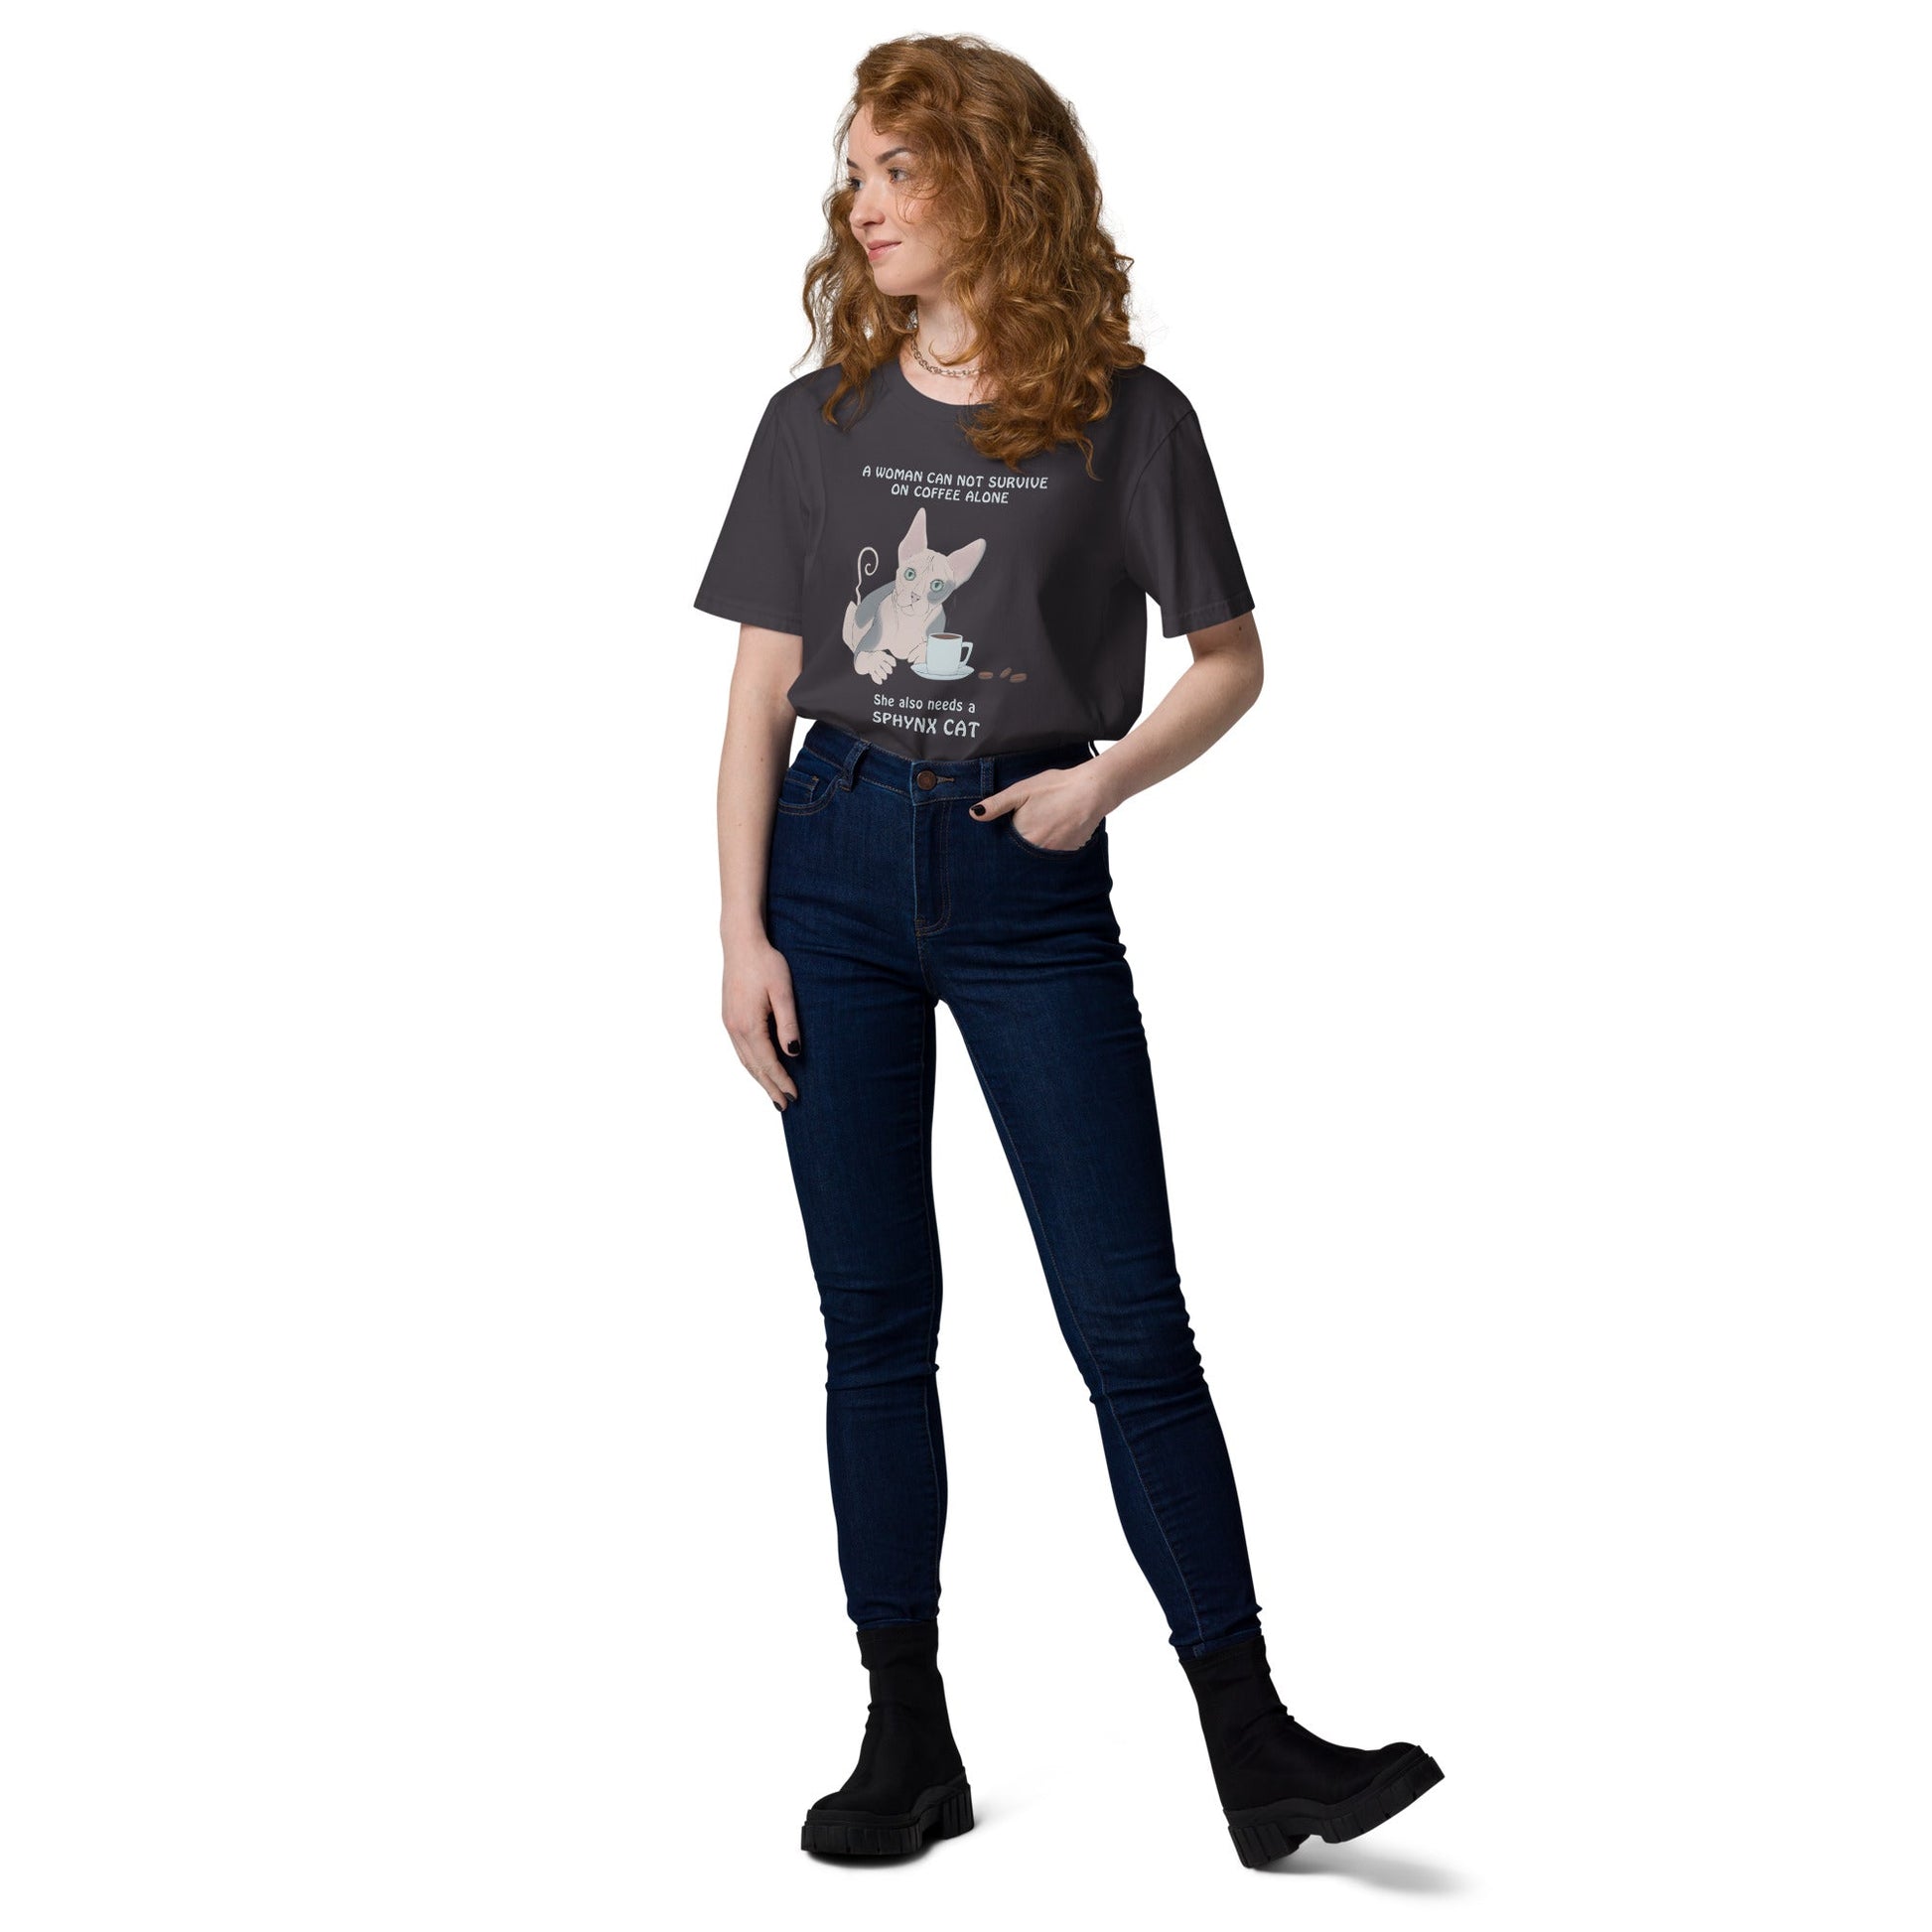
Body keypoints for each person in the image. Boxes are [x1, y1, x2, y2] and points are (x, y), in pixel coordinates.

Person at [694, 33, 1443, 1867]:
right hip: (830, 867)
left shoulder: (1127, 415)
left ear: (991, 182)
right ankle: (905, 1735)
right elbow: (758, 699)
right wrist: (737, 934)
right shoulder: (816, 421)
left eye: (896, 168)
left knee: (1128, 1316)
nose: (861, 204)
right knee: (875, 1320)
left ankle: (1255, 1742)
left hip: (1025, 877)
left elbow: (1229, 660)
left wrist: (1100, 782)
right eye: (851, 173)